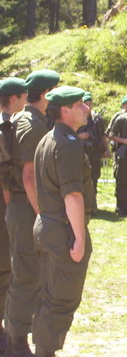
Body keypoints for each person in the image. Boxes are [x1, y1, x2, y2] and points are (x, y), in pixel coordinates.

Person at [32, 86, 94, 357]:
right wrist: (79, 238)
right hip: (63, 230)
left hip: (48, 225)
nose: (87, 108)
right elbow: (72, 195)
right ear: (65, 110)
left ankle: (43, 350)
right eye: (81, 104)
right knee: (61, 299)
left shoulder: (48, 139)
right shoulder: (67, 143)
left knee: (48, 296)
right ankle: (44, 352)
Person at [4, 69, 60, 357]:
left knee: (27, 272)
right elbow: (28, 176)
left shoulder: (30, 120)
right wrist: (42, 215)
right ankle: (16, 341)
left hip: (23, 205)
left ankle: (17, 335)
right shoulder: (32, 123)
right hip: (26, 207)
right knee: (26, 274)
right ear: (46, 94)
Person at [0, 77, 28, 355]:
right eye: (24, 96)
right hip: (3, 205)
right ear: (13, 99)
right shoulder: (3, 128)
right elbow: (4, 174)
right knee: (5, 267)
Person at [77, 92, 109, 198]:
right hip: (81, 152)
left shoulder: (96, 119)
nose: (88, 106)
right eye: (86, 103)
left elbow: (102, 135)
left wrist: (106, 149)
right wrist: (80, 136)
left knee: (94, 177)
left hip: (94, 152)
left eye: (90, 104)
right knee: (81, 177)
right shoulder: (77, 118)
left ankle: (92, 203)